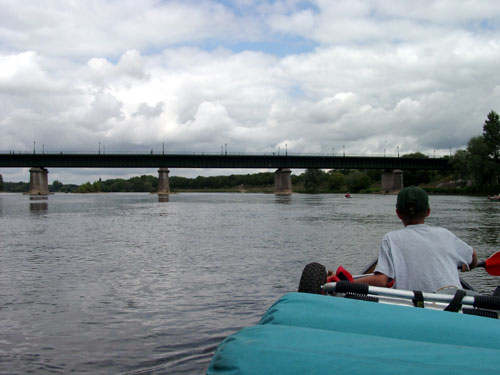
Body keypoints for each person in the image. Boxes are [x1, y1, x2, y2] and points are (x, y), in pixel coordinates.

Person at [355, 186, 477, 293]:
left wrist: (345, 283)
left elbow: (381, 280)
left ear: (398, 213)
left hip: (414, 308)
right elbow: (473, 256)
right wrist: (470, 265)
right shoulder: (445, 234)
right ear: (428, 212)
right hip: (453, 305)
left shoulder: (391, 238)